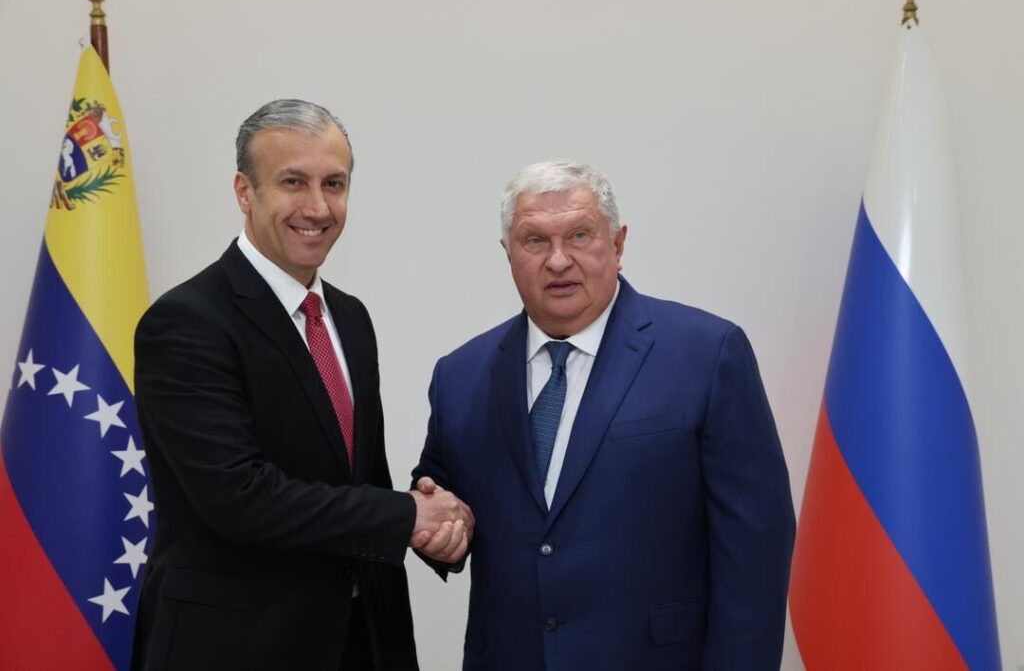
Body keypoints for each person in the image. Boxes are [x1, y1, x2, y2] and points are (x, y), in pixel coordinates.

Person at [412, 159, 796, 670]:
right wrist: (438, 531)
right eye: (534, 241)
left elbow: (756, 552)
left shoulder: (707, 354)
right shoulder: (460, 375)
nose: (557, 261)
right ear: (508, 254)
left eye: (579, 235)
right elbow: (441, 497)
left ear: (617, 244)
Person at [131, 99, 471, 671]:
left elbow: (359, 478)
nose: (318, 206)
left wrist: (435, 532)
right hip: (236, 648)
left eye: (334, 184)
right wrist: (405, 516)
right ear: (245, 191)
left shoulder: (350, 318)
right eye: (294, 182)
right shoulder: (186, 321)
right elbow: (239, 498)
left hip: (364, 641)